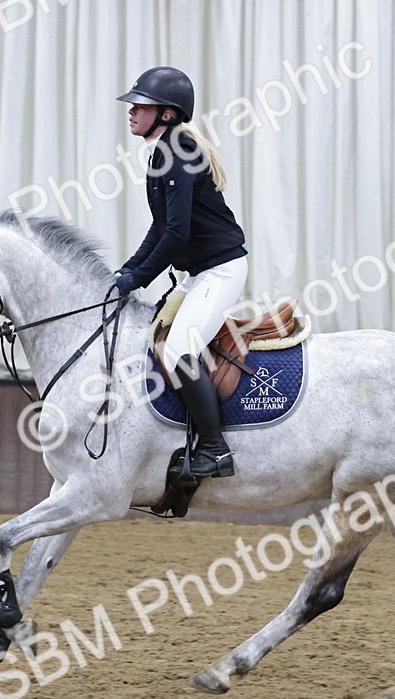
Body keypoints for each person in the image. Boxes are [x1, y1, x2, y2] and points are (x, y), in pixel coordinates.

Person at [114, 66, 248, 479]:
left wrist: (136, 279)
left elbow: (176, 234)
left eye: (142, 105)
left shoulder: (178, 151)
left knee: (179, 350)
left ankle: (216, 449)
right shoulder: (162, 150)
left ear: (166, 114)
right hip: (201, 273)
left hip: (220, 271)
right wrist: (127, 270)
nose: (132, 112)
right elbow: (160, 227)